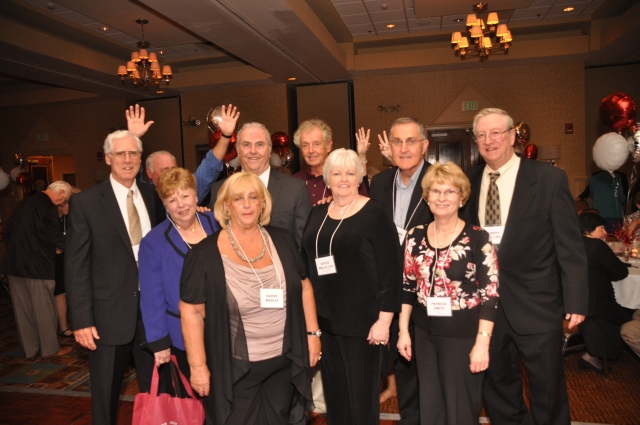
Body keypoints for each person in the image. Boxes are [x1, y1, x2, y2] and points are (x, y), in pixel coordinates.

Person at [462, 108, 588, 425]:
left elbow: (569, 245)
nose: (489, 141)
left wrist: (576, 299)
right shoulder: (469, 181)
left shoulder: (548, 179)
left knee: (547, 388)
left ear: (512, 137)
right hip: (487, 307)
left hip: (537, 303)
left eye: (496, 133)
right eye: (482, 135)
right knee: (497, 384)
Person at [179, 172, 319, 424]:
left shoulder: (283, 240)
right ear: (225, 206)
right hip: (235, 370)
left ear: (262, 204)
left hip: (283, 363)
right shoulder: (203, 255)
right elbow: (191, 312)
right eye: (238, 198)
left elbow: (305, 287)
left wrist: (312, 336)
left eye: (253, 197)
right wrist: (198, 367)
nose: (246, 204)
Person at [66, 130, 162, 425]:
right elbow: (76, 264)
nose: (127, 159)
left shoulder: (151, 195)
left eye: (133, 153)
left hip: (151, 314)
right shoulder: (87, 202)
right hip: (107, 316)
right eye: (120, 154)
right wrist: (81, 320)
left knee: (157, 391)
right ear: (108, 158)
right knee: (106, 396)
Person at [301, 148, 402, 425]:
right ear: (327, 177)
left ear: (359, 177)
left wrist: (384, 322)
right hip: (326, 325)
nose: (343, 178)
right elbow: (304, 263)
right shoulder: (317, 214)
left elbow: (392, 273)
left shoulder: (375, 214)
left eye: (349, 172)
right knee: (336, 401)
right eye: (336, 172)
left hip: (363, 328)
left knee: (360, 404)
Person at [398, 161, 499, 425]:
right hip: (423, 335)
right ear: (427, 196)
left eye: (450, 191)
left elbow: (490, 295)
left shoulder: (478, 238)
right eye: (436, 191)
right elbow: (407, 287)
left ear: (462, 197)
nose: (442, 198)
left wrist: (482, 344)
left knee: (460, 411)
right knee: (430, 409)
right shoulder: (415, 236)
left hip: (463, 337)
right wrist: (403, 331)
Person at [368, 117, 434, 425]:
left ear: (424, 145)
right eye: (397, 142)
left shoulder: (439, 178)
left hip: (431, 293)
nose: (404, 148)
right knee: (405, 363)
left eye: (411, 141)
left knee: (432, 369)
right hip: (393, 289)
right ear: (389, 148)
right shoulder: (380, 183)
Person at [138, 168, 219, 388]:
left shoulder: (218, 222)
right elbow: (151, 297)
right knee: (193, 400)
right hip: (181, 336)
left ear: (196, 196)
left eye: (185, 196)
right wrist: (159, 342)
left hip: (223, 329)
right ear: (165, 204)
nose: (181, 204)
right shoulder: (153, 242)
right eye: (172, 199)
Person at [209, 122, 311, 246]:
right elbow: (216, 241)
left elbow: (304, 245)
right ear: (238, 150)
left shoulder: (295, 189)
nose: (253, 151)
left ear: (269, 150)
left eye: (260, 145)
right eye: (246, 145)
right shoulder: (220, 190)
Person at [1, 181, 72, 358]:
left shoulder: (24, 202)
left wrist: (18, 249)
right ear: (61, 193)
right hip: (37, 267)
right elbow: (55, 236)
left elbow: (7, 230)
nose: (63, 204)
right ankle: (50, 349)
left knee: (23, 312)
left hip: (14, 265)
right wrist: (76, 247)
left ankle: (30, 350)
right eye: (65, 200)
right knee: (44, 310)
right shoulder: (48, 207)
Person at [126, 103, 240, 201]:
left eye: (173, 169)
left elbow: (210, 166)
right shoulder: (143, 195)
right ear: (149, 173)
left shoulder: (188, 191)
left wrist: (226, 135)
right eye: (164, 170)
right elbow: (130, 173)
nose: (171, 174)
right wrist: (133, 138)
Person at [577, 212, 635, 373]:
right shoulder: (596, 246)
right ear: (589, 230)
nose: (605, 233)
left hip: (573, 304)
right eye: (601, 228)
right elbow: (619, 273)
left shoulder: (569, 243)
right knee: (630, 315)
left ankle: (592, 353)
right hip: (598, 305)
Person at [293, 118, 369, 205]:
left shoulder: (344, 178)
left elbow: (365, 206)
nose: (311, 150)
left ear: (328, 145)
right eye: (305, 145)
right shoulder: (295, 180)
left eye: (316, 144)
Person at [54, 187, 80, 338]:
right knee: (60, 293)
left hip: (72, 258)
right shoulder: (52, 217)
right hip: (57, 261)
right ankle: (62, 327)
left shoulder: (74, 217)